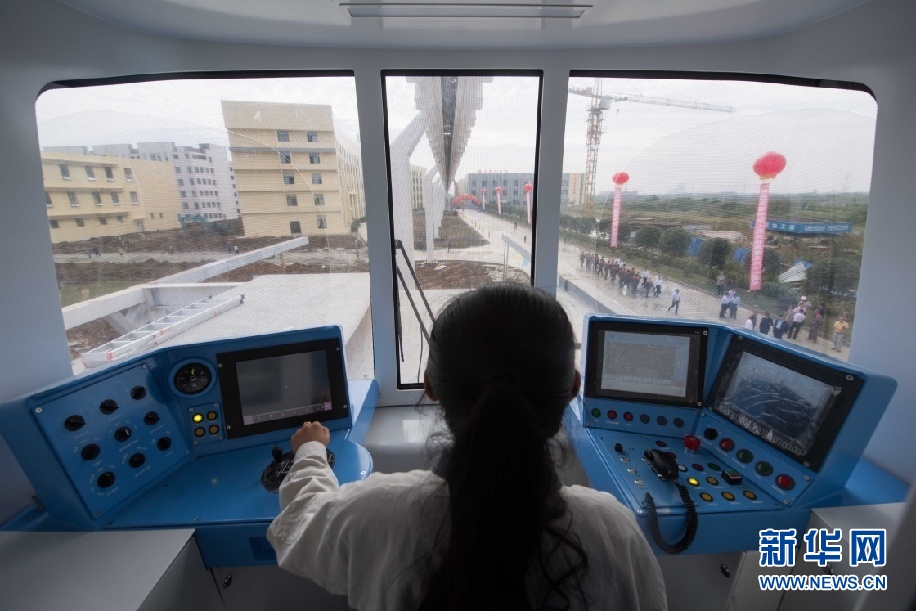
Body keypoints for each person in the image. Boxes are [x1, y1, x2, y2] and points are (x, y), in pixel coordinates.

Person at [267, 284, 666, 610]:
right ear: (572, 389)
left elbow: (300, 526)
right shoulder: (614, 534)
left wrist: (310, 452)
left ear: (431, 387)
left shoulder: (374, 516)